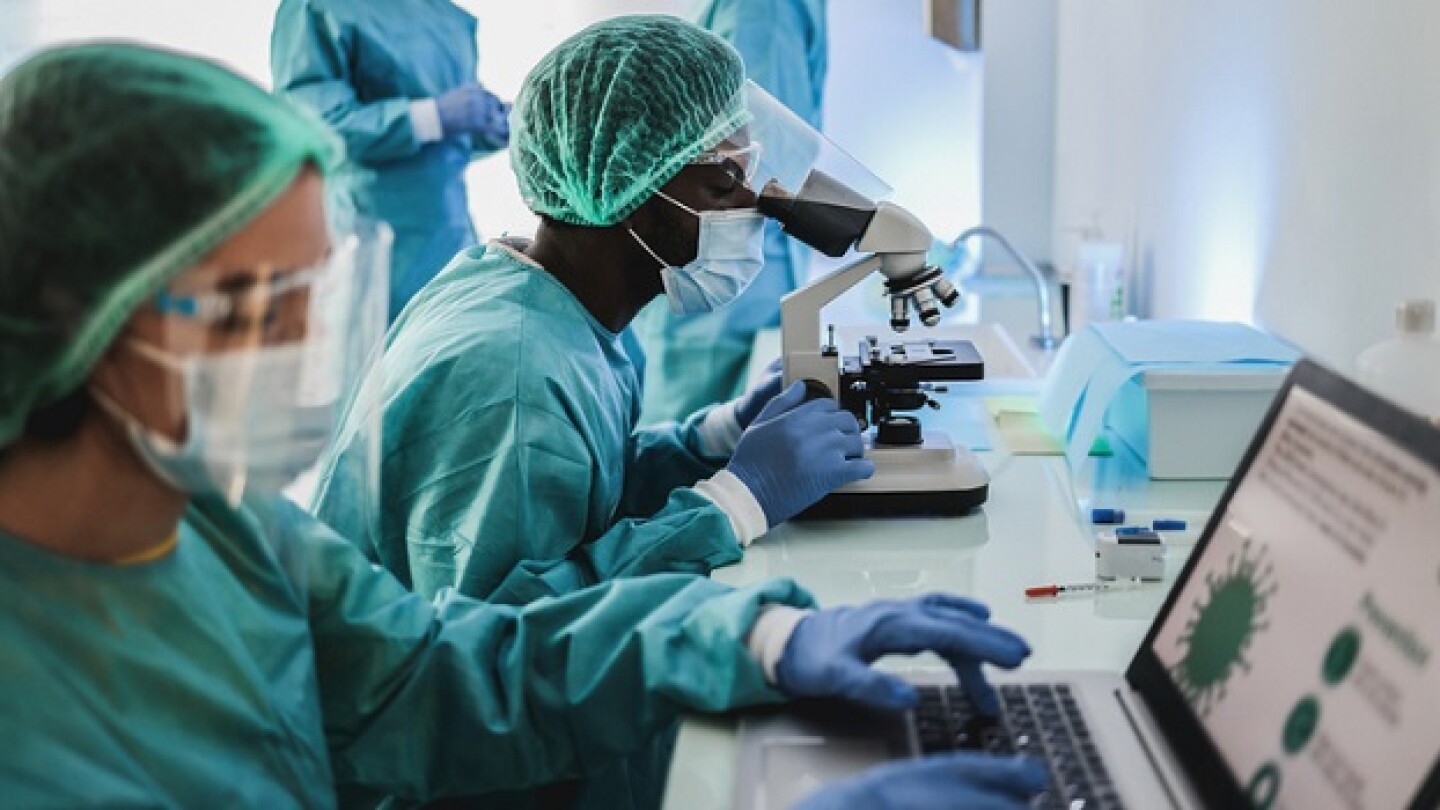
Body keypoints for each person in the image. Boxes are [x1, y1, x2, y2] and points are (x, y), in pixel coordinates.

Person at [0, 41, 1047, 809]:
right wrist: (726, 506)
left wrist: (759, 637)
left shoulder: (219, 528)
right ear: (76, 308)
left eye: (309, 299)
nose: (297, 355)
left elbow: (447, 669)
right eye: (251, 312)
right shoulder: (34, 737)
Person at [313, 15, 870, 611]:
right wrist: (735, 504)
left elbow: (579, 489)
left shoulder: (545, 298)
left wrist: (716, 436)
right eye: (722, 184)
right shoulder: (514, 374)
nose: (754, 204)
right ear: (625, 185)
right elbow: (513, 635)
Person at [632, 0, 828, 426]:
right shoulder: (762, 8)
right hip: (720, 280)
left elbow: (759, 155)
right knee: (688, 460)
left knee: (710, 440)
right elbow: (752, 163)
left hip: (734, 273)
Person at [271, 0, 509, 321]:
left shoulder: (445, 15)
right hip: (368, 244)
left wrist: (487, 127)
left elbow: (445, 144)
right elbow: (313, 128)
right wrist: (431, 115)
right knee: (367, 360)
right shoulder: (317, 9)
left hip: (449, 239)